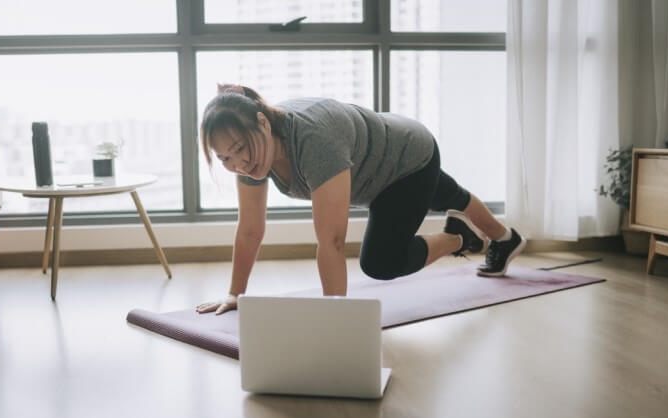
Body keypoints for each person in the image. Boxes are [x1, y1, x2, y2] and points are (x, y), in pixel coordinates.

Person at [196, 84, 525, 315]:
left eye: (238, 149)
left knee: (381, 262)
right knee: (449, 195)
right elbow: (251, 229)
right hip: (390, 149)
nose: (236, 163)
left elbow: (332, 241)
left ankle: (459, 237)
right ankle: (505, 238)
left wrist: (335, 319)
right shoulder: (250, 153)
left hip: (406, 161)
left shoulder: (313, 142)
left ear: (263, 123)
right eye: (223, 157)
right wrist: (235, 294)